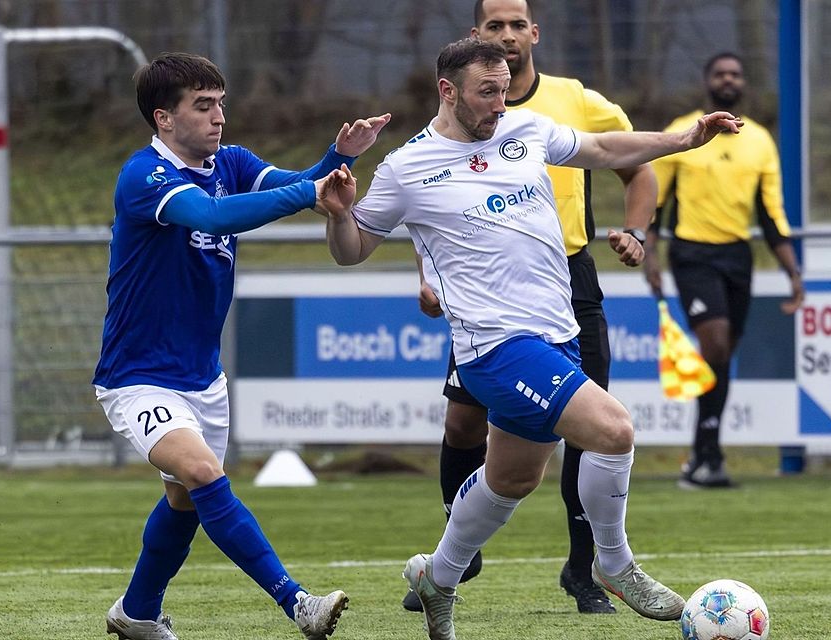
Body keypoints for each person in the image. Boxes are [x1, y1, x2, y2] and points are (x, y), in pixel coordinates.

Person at [318, 38, 741, 640]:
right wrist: (339, 216)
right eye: (486, 91)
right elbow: (352, 250)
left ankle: (439, 578)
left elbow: (600, 148)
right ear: (448, 92)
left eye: (505, 86)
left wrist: (681, 139)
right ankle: (614, 562)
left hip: (556, 334)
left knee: (512, 479)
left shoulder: (524, 129)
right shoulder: (406, 168)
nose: (499, 100)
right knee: (614, 429)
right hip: (493, 347)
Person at [93, 52, 389, 640]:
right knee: (203, 474)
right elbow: (212, 214)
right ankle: (297, 603)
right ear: (163, 119)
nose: (218, 117)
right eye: (202, 107)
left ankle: (137, 613)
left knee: (184, 502)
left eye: (221, 104)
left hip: (202, 378)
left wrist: (340, 162)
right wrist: (310, 193)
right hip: (138, 376)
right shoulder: (144, 176)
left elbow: (295, 184)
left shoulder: (231, 162)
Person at [404, 0, 658, 615]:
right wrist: (428, 275)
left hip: (569, 281)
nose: (509, 34)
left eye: (518, 24)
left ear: (535, 33)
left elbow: (632, 166)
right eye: (495, 25)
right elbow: (430, 212)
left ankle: (585, 570)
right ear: (477, 36)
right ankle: (455, 562)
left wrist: (637, 231)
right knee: (469, 429)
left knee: (589, 428)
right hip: (489, 297)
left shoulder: (571, 100)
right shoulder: (455, 122)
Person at [643, 52, 805, 490]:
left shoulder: (760, 142)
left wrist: (793, 271)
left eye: (735, 73)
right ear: (707, 81)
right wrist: (650, 254)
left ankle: (704, 457)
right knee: (713, 345)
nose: (728, 80)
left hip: (738, 257)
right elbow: (656, 203)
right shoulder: (688, 131)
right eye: (720, 73)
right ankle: (705, 454)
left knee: (722, 358)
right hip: (693, 254)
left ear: (743, 83)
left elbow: (771, 214)